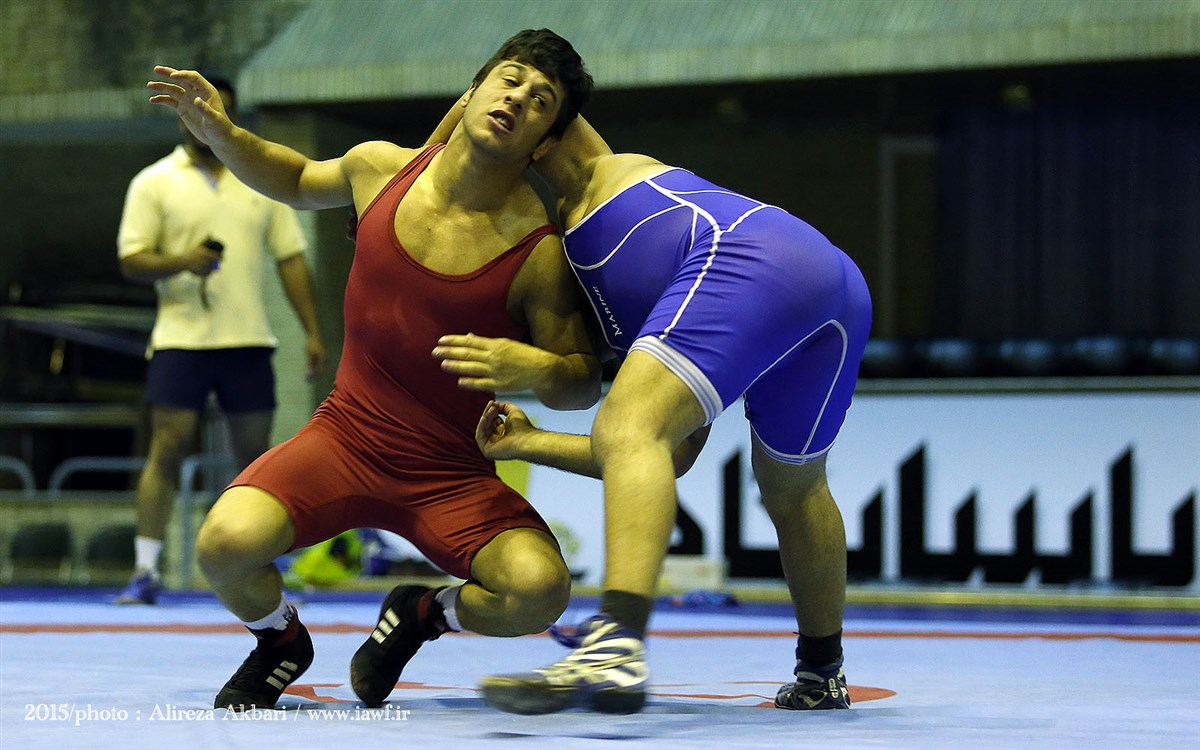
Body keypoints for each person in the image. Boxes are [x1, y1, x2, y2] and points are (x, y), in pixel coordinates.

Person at [146, 28, 599, 711]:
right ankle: (279, 641)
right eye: (509, 80)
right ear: (472, 91)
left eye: (541, 101)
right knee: (223, 545)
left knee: (539, 593)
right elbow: (294, 179)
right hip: (344, 439)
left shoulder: (539, 253)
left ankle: (424, 613)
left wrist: (535, 365)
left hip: (450, 472)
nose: (516, 99)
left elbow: (580, 383)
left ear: (544, 143)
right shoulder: (379, 169)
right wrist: (223, 133)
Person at [433, 112, 872, 713]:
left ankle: (614, 643)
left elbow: (518, 97)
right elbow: (669, 454)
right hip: (832, 281)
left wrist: (412, 184)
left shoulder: (591, 200)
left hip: (751, 252)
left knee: (631, 424)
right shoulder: (644, 251)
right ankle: (822, 674)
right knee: (794, 490)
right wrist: (527, 442)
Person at [115, 75, 326, 606]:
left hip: (248, 340)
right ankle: (145, 570)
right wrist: (183, 261)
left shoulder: (260, 177)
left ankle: (265, 566)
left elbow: (291, 259)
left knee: (257, 460)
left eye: (219, 108)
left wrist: (312, 331)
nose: (208, 116)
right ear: (183, 115)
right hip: (180, 340)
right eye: (199, 108)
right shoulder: (153, 182)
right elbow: (131, 260)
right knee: (167, 449)